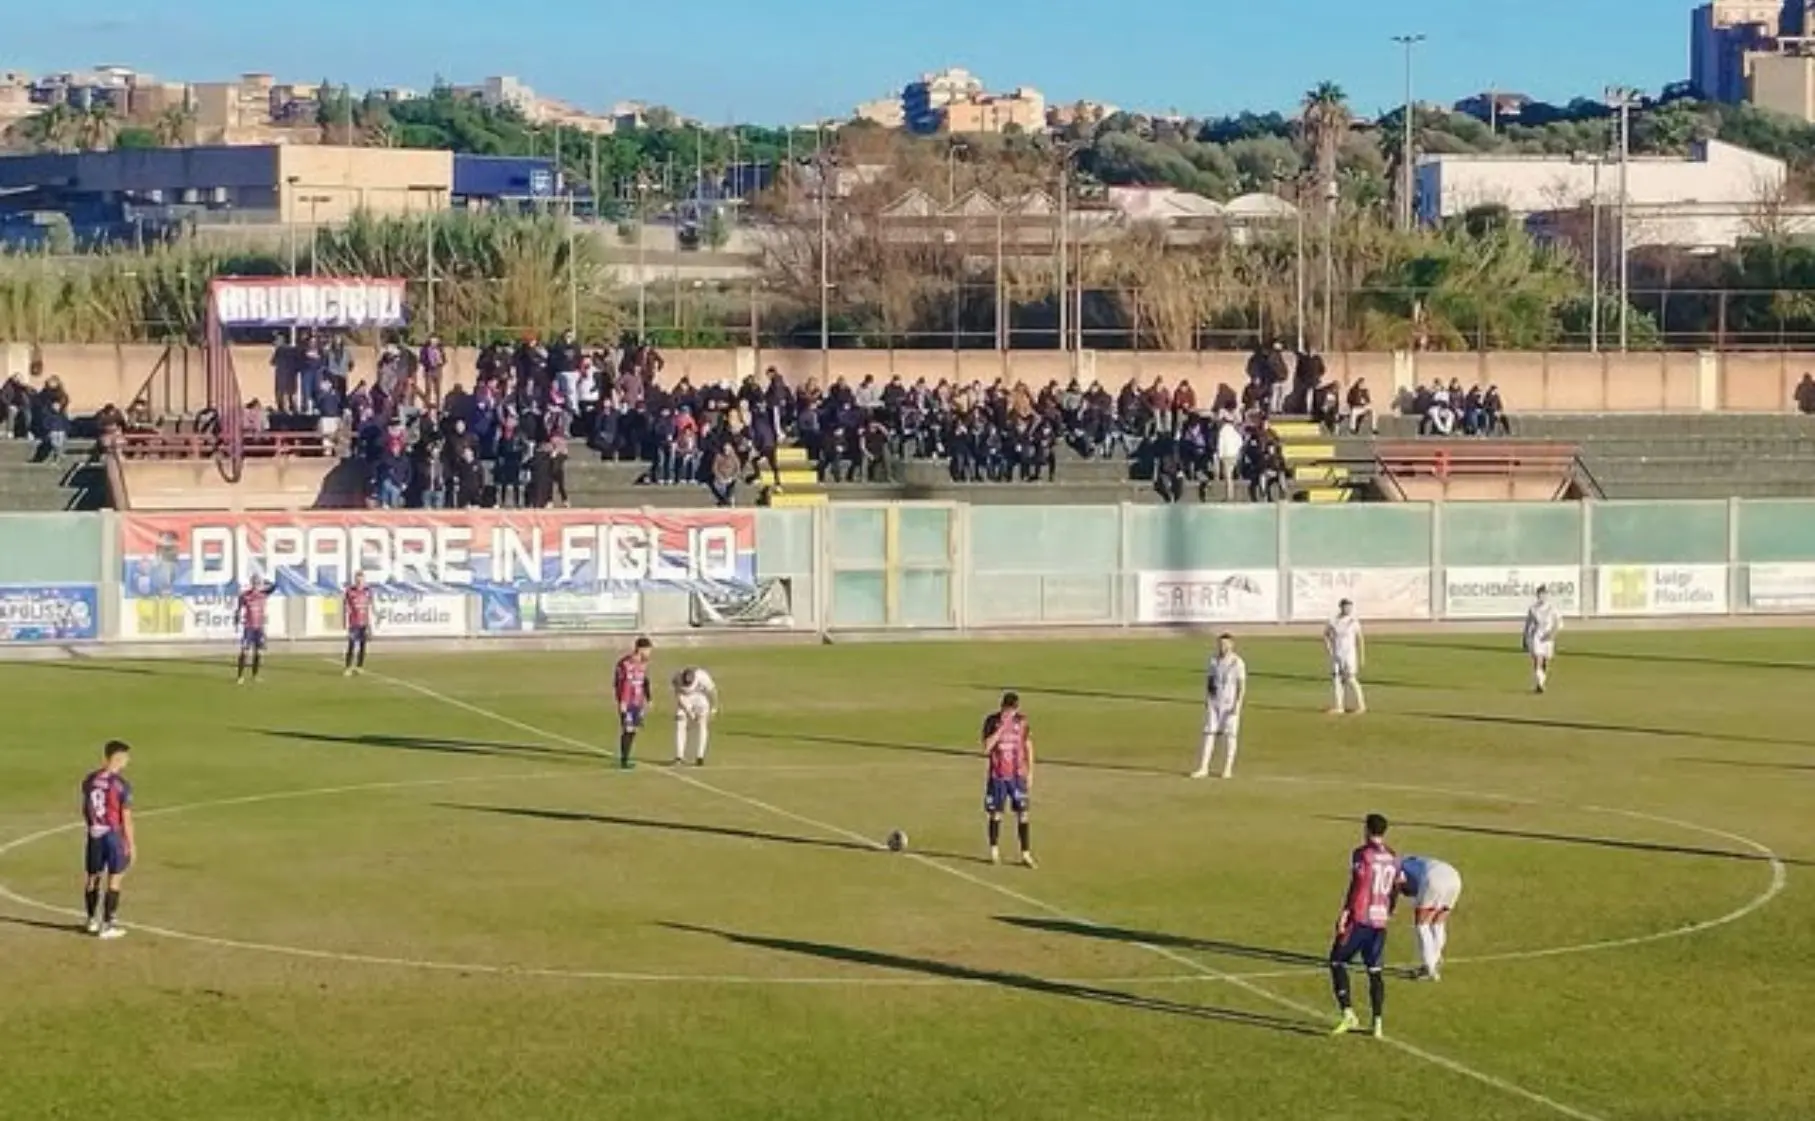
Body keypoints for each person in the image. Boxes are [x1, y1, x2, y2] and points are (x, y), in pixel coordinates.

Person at [1330, 812, 1403, 1039]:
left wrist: (1345, 913)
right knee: (1375, 971)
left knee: (1336, 961)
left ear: (1367, 829)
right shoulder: (1393, 856)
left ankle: (1348, 1013)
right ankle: (1378, 1022)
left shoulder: (1362, 854)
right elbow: (1397, 886)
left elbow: (1358, 885)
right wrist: (1389, 909)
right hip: (1380, 920)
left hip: (1361, 917)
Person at [80, 740, 135, 940]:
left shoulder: (89, 780)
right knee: (115, 877)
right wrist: (130, 843)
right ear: (118, 758)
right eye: (126, 757)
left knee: (93, 877)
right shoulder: (121, 785)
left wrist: (92, 825)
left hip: (94, 833)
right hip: (112, 835)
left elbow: (86, 808)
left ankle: (91, 920)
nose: (128, 761)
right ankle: (108, 924)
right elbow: (126, 818)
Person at [981, 691, 1036, 867]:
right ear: (1002, 707)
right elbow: (986, 748)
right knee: (996, 813)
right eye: (1007, 709)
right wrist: (1001, 729)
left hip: (1016, 775)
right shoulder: (992, 721)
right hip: (997, 775)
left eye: (1013, 710)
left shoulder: (1022, 722)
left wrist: (1030, 772)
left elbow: (1028, 745)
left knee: (1023, 813)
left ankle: (1025, 853)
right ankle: (994, 850)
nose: (1010, 713)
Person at [1399, 854, 1463, 981]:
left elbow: (1400, 886)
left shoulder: (1396, 867)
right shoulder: (1413, 861)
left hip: (1432, 878)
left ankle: (1429, 969)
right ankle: (1436, 959)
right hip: (1454, 877)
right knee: (1438, 922)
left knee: (1422, 924)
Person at [1192, 633, 1246, 779]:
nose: (1223, 647)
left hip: (1230, 703)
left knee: (1230, 735)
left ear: (1232, 645)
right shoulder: (1213, 660)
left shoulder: (1237, 662)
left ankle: (1227, 768)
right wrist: (1208, 698)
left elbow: (1241, 686)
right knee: (1209, 733)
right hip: (1215, 702)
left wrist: (1238, 704)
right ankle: (1203, 767)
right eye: (1220, 644)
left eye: (1226, 644)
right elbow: (1210, 681)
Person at [613, 637, 654, 770]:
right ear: (640, 649)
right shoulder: (625, 664)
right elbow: (621, 683)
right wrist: (622, 702)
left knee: (633, 730)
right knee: (627, 729)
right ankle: (624, 760)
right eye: (648, 650)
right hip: (627, 701)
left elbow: (645, 681)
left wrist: (649, 698)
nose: (649, 653)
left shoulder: (643, 664)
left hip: (638, 701)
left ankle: (626, 757)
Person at [1323, 598, 1367, 715]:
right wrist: (1329, 649)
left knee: (1351, 679)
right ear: (1341, 607)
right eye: (1347, 607)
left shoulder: (1353, 621)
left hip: (1349, 655)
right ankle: (1339, 706)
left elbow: (1360, 639)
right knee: (1337, 680)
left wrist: (1362, 656)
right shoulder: (1333, 621)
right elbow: (1326, 634)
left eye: (1350, 607)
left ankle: (1361, 705)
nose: (1349, 609)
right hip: (1337, 655)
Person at [671, 665, 720, 766]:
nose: (687, 686)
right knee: (680, 724)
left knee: (702, 725)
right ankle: (679, 756)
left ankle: (700, 756)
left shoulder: (702, 676)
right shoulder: (677, 679)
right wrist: (690, 713)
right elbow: (679, 697)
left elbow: (713, 692)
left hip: (699, 698)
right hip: (684, 699)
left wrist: (714, 709)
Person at [1523, 585, 1562, 694]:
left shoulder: (1552, 608)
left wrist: (1551, 634)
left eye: (1544, 595)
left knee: (1545, 661)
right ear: (1537, 596)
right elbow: (1528, 624)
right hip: (1537, 637)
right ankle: (1539, 684)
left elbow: (1558, 623)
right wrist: (1525, 637)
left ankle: (1541, 682)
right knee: (1537, 659)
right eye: (1540, 595)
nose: (1542, 597)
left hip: (1548, 639)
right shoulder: (1533, 609)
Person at [234, 576, 272, 685]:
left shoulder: (263, 595)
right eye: (255, 583)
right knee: (244, 651)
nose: (256, 585)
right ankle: (240, 676)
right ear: (251, 583)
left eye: (258, 583)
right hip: (249, 627)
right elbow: (238, 609)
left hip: (259, 628)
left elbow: (274, 586)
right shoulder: (245, 595)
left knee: (258, 652)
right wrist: (236, 620)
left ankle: (255, 675)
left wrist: (266, 581)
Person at [343, 571, 374, 677]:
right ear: (355, 580)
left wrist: (370, 624)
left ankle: (359, 666)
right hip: (354, 622)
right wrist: (345, 621)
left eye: (361, 580)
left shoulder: (368, 591)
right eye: (357, 580)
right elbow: (346, 606)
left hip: (364, 622)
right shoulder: (350, 591)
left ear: (364, 580)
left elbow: (370, 607)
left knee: (363, 645)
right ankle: (348, 667)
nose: (359, 582)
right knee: (351, 645)